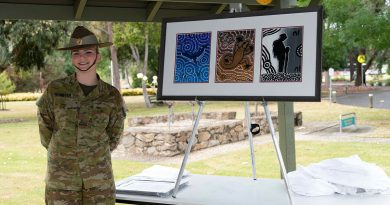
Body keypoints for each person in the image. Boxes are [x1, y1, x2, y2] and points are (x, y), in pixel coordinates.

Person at [36, 26, 126, 205]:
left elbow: (114, 136)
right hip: (62, 180)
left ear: (98, 56)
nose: (82, 57)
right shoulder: (55, 90)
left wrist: (92, 152)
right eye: (76, 53)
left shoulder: (111, 95)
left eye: (88, 52)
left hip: (99, 181)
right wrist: (64, 151)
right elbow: (45, 130)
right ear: (71, 58)